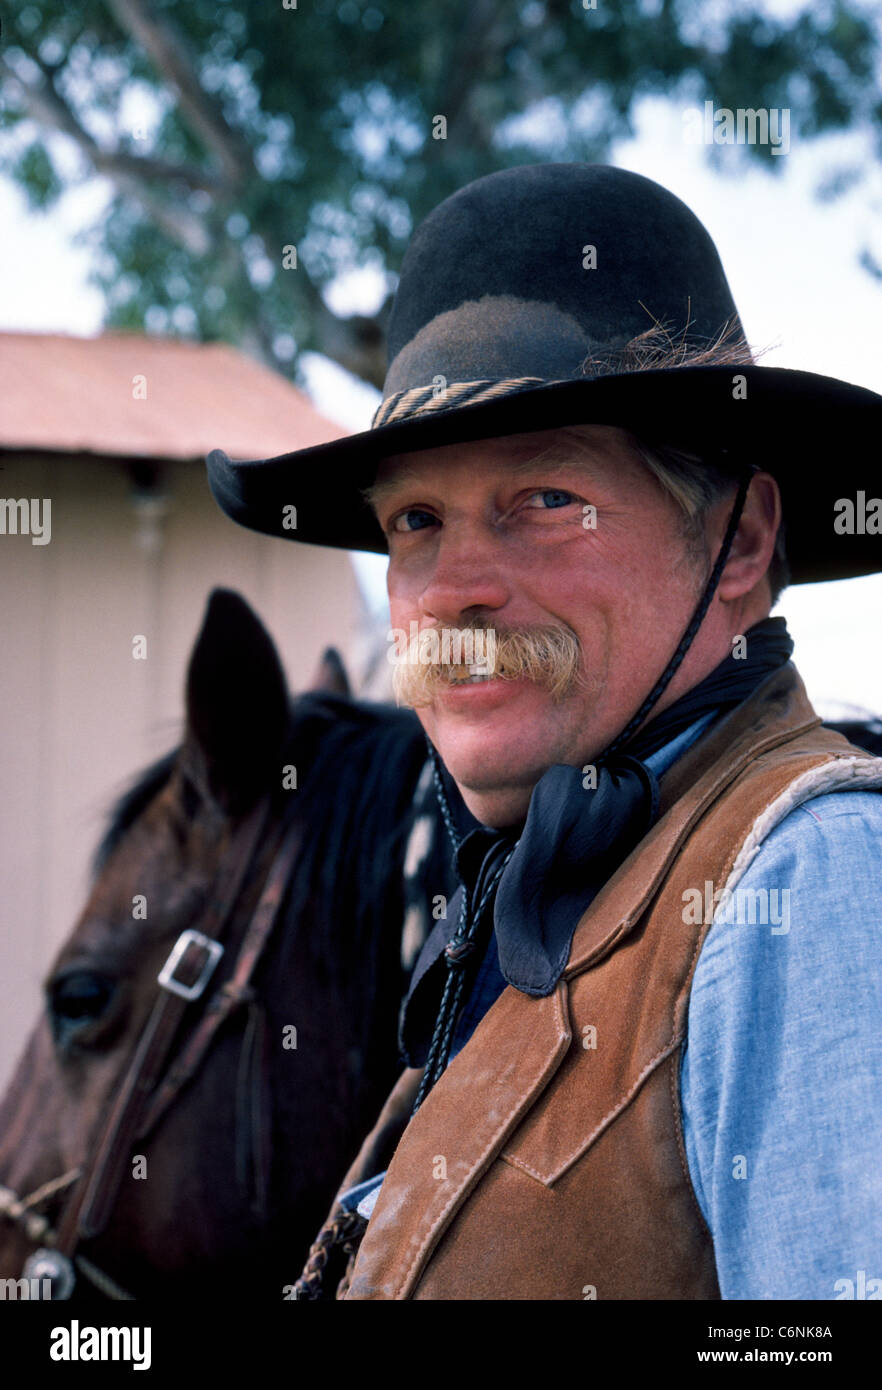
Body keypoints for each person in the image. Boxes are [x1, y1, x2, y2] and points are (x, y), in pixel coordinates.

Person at [207, 163, 882, 1300]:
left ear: (745, 543)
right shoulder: (542, 899)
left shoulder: (809, 879)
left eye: (547, 500)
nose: (455, 587)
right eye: (415, 520)